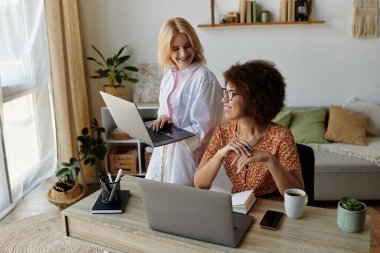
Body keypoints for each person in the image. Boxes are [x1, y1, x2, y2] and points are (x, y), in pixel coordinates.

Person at [194, 60, 304, 199]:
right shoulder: (222, 132)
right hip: (239, 207)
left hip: (272, 210)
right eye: (225, 92)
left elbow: (297, 191)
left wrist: (270, 159)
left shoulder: (281, 136)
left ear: (254, 98)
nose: (223, 100)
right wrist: (221, 153)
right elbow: (200, 184)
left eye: (230, 94)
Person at [145, 17, 223, 185]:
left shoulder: (204, 78)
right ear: (166, 50)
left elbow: (204, 127)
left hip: (187, 155)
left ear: (195, 43)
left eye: (188, 45)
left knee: (182, 204)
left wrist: (175, 138)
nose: (183, 53)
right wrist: (163, 117)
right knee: (156, 197)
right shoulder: (168, 76)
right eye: (175, 48)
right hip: (164, 150)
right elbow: (164, 108)